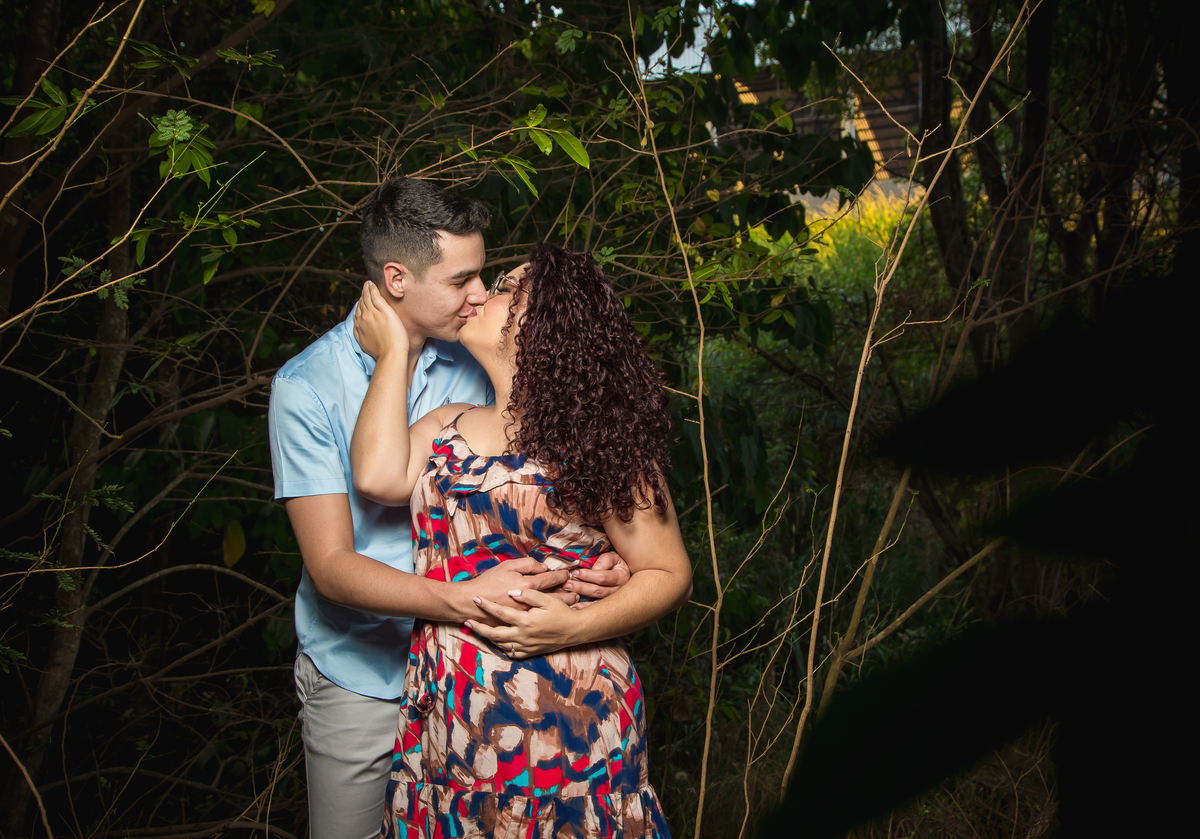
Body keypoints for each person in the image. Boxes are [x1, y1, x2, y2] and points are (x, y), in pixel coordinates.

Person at [268, 179, 632, 838]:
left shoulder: (486, 350)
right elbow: (332, 567)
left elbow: (558, 478)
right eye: (461, 279)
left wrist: (606, 558)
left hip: (492, 676)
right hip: (365, 672)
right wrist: (464, 599)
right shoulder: (306, 387)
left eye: (484, 274)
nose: (480, 294)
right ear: (396, 279)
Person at [350, 242, 692, 839]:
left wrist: (572, 628)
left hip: (573, 721)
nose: (482, 294)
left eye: (507, 288)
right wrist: (394, 352)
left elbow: (669, 574)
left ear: (546, 325)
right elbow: (376, 476)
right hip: (452, 717)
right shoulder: (448, 423)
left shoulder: (597, 441)